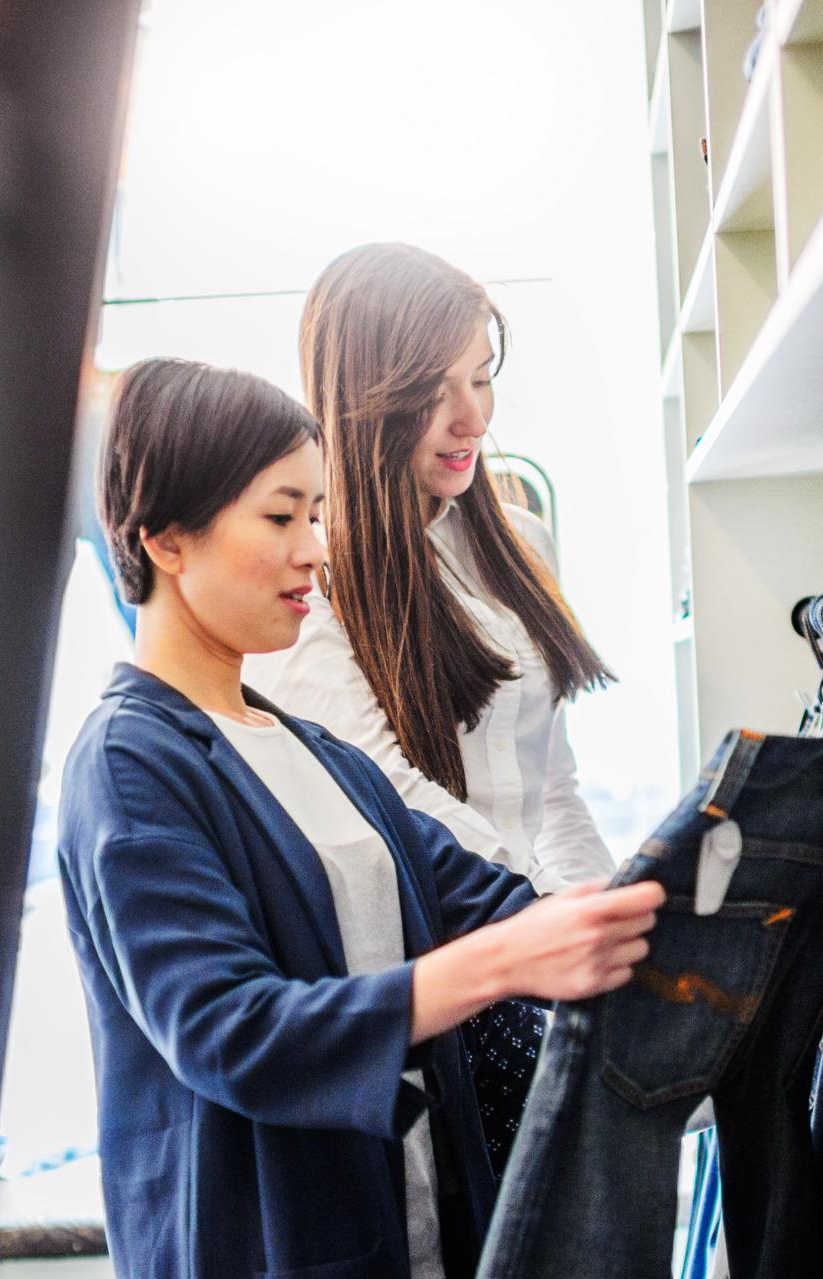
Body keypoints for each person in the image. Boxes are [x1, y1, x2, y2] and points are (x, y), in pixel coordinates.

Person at [56, 357, 663, 1279]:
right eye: (282, 515)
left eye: (317, 514)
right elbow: (228, 1026)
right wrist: (508, 964)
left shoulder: (310, 747)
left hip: (409, 1259)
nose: (314, 549)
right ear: (164, 534)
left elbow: (481, 895)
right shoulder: (131, 763)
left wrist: (664, 907)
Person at [246, 242, 616, 894]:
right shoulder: (307, 572)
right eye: (434, 393)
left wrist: (609, 923)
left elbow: (553, 787)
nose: (473, 419)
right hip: (441, 959)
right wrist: (558, 913)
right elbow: (389, 796)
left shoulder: (524, 544)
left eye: (481, 378)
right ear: (364, 400)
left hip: (544, 945)